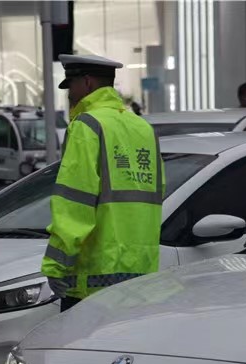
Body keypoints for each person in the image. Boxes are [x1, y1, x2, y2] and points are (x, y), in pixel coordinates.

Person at [42, 54, 165, 312]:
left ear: (87, 83)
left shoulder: (87, 126)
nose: (69, 94)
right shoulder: (143, 128)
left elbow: (75, 202)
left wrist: (56, 265)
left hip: (92, 282)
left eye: (71, 85)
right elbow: (157, 195)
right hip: (141, 278)